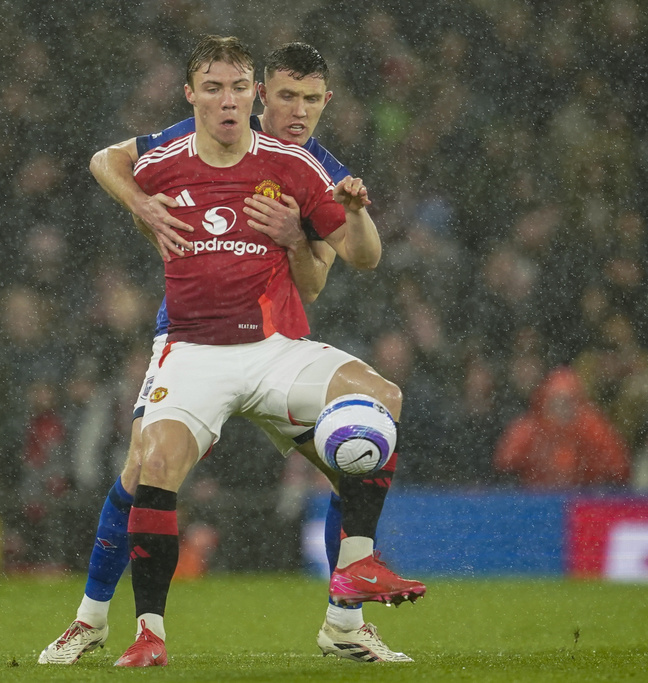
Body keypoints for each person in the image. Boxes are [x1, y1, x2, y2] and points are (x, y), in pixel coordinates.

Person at [41, 38, 423, 667]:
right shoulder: (190, 136)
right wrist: (140, 205)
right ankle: (96, 621)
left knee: (358, 448)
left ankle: (346, 619)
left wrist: (296, 239)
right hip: (188, 337)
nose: (294, 111)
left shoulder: (310, 166)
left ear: (324, 102)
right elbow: (110, 161)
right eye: (284, 96)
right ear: (261, 95)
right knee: (142, 470)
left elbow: (323, 277)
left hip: (273, 341)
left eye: (309, 100)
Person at [493, 365, 630, 488]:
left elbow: (618, 469)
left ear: (579, 403)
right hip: (536, 502)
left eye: (568, 402)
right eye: (556, 403)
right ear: (544, 402)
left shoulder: (594, 428)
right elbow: (504, 466)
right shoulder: (529, 428)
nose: (562, 409)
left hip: (585, 501)